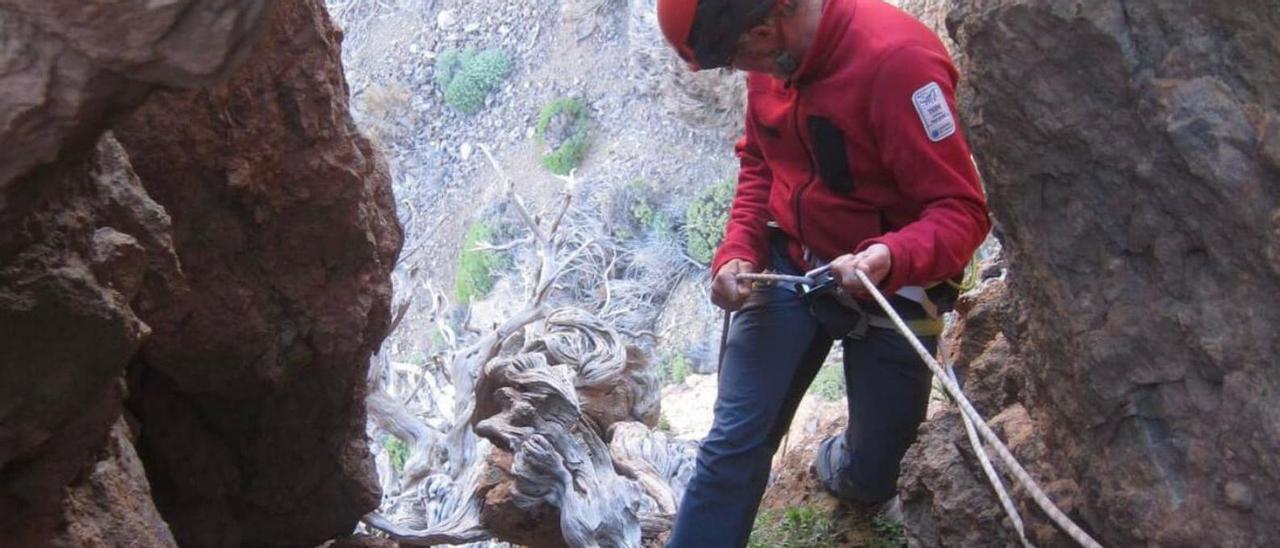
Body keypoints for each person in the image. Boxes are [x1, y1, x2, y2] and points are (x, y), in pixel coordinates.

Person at [655, 0, 991, 546]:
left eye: (741, 59)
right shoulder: (775, 60)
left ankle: (843, 462)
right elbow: (760, 162)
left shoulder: (899, 63)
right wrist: (738, 250)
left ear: (764, 29)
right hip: (793, 263)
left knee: (875, 477)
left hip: (893, 289)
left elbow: (963, 213)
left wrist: (889, 256)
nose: (744, 73)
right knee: (731, 447)